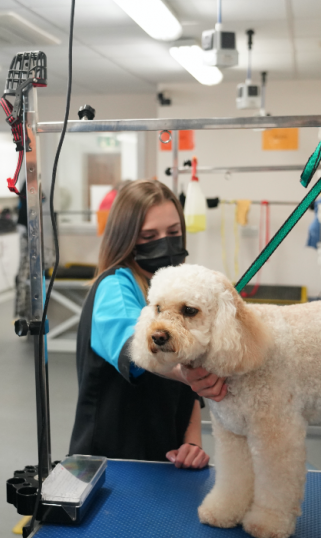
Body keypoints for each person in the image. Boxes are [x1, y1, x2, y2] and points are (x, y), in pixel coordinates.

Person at [69, 179, 227, 469]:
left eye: (173, 232)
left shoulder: (175, 291)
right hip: (110, 464)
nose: (165, 241)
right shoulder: (115, 287)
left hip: (165, 460)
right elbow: (137, 348)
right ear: (126, 238)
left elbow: (188, 381)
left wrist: (191, 443)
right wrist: (186, 372)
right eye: (149, 234)